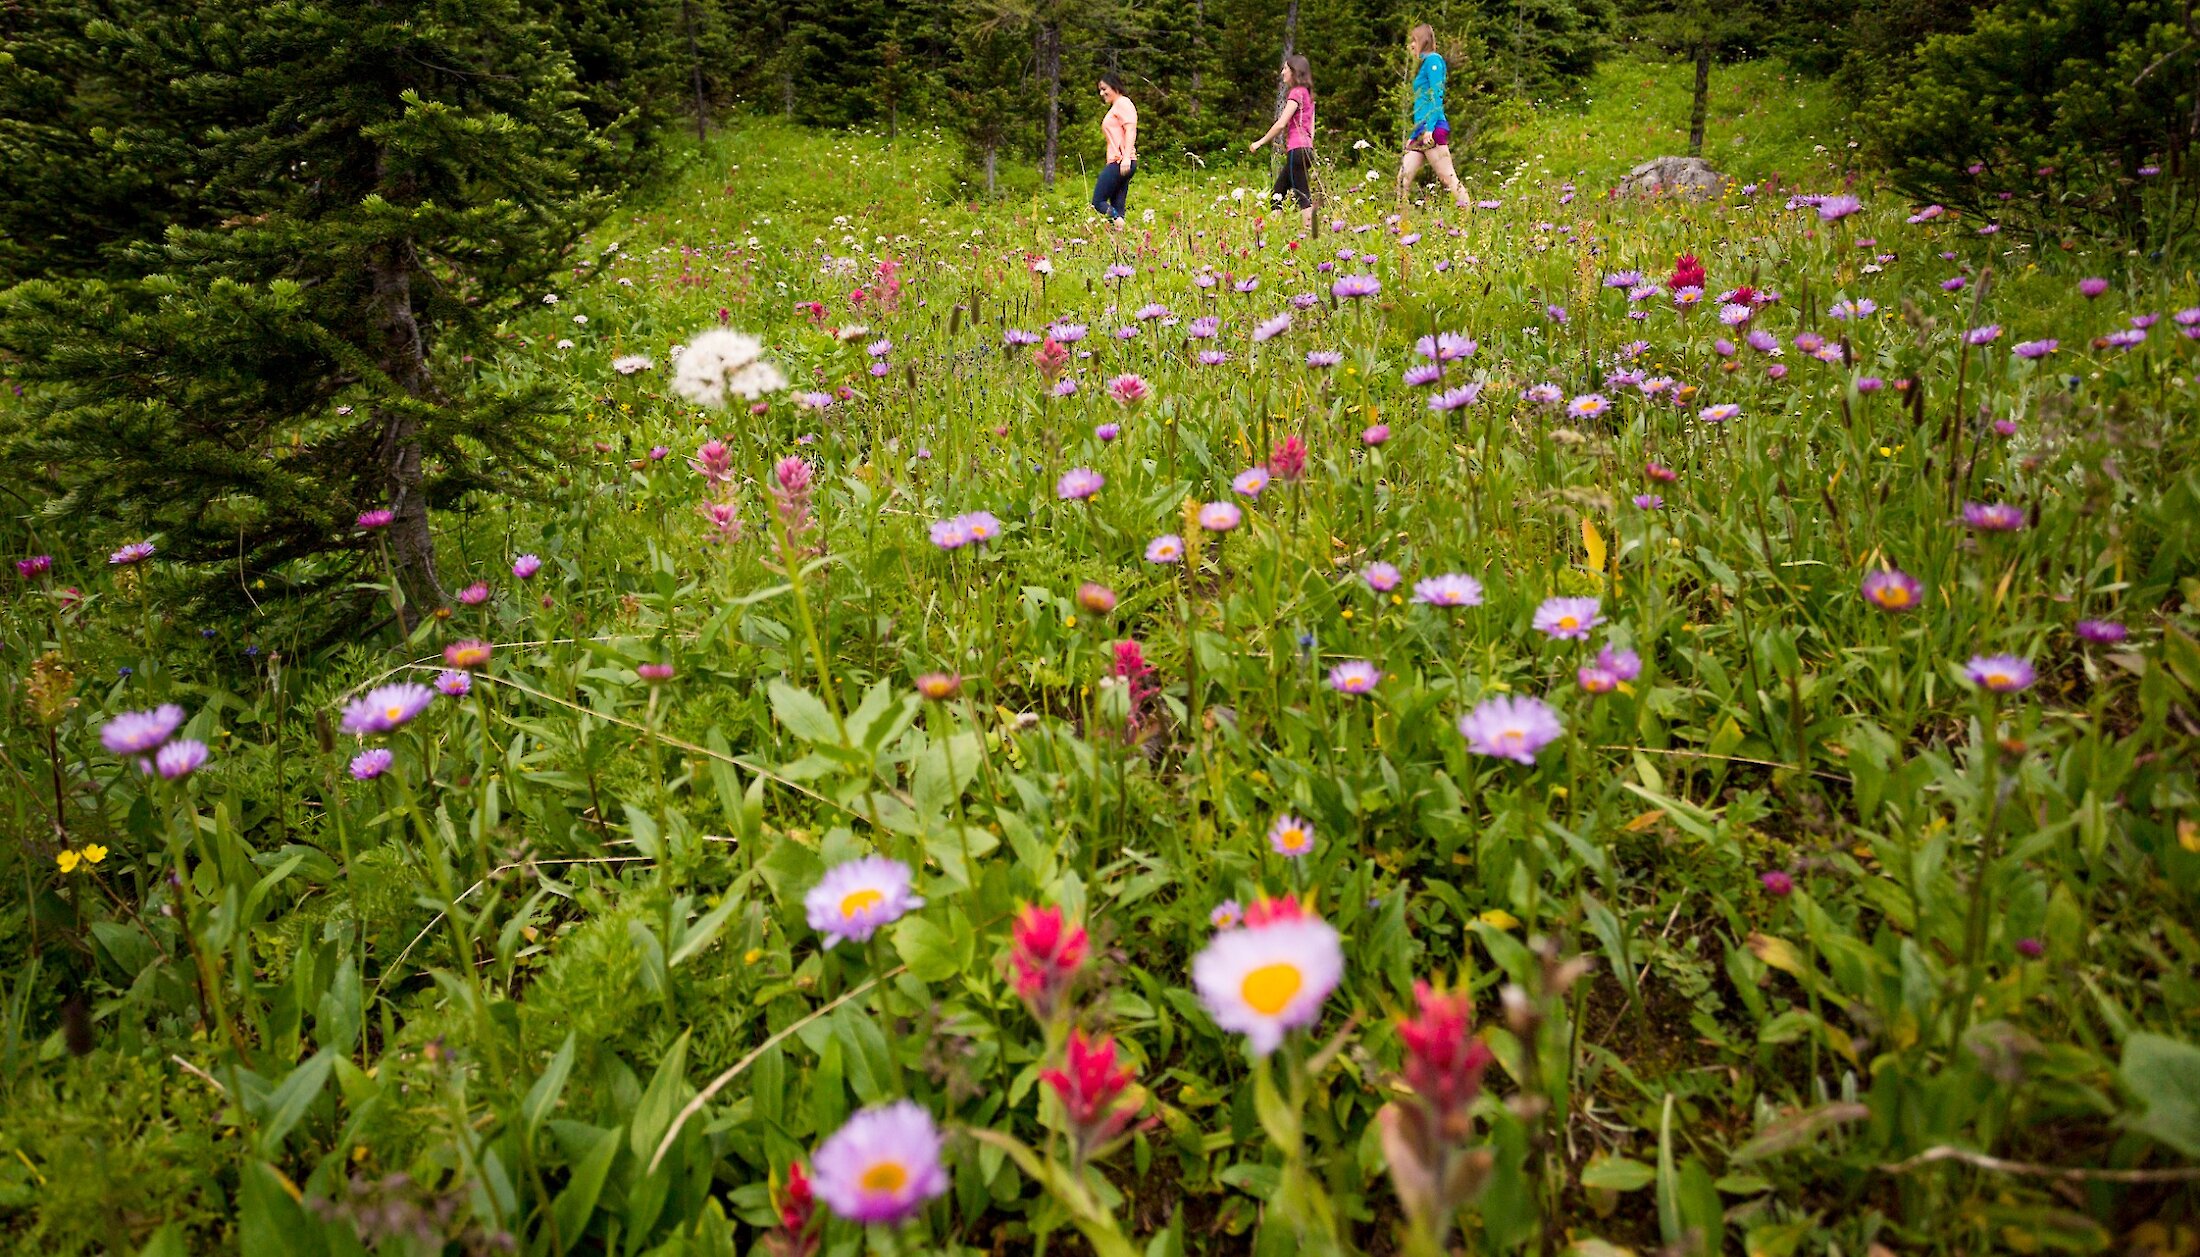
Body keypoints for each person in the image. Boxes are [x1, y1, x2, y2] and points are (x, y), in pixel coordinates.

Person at [1399, 25, 1468, 208]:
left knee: (1449, 179)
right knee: (1402, 181)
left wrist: (1430, 128)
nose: (1411, 45)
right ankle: (1401, 225)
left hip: (1433, 130)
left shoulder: (1433, 60)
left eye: (1414, 40)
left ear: (1422, 41)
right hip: (1420, 132)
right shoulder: (1424, 64)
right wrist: (1414, 136)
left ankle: (1471, 217)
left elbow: (1437, 93)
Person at [1249, 55, 1317, 235]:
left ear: (1295, 71)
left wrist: (1260, 142)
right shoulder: (1309, 95)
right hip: (1306, 149)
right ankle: (1273, 235)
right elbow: (1312, 128)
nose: (1283, 72)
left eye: (1286, 69)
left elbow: (1281, 123)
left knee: (1303, 196)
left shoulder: (1296, 93)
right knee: (1277, 194)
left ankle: (1313, 237)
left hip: (1296, 149)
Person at [1092, 73, 1138, 224]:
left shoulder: (1123, 103)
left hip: (1121, 161)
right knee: (1117, 204)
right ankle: (1119, 238)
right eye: (1100, 90)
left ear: (1114, 86)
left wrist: (1125, 157)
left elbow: (1131, 129)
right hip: (1120, 160)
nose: (1102, 93)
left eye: (1105, 89)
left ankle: (1118, 221)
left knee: (1098, 201)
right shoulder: (1116, 106)